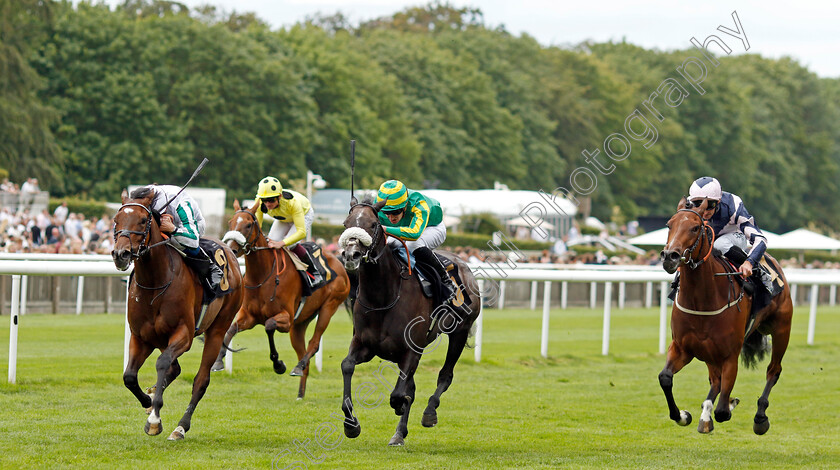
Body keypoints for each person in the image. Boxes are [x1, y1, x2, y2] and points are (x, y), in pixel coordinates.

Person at [686, 176, 778, 294]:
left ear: (718, 201)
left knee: (720, 244)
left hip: (734, 236)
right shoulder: (688, 207)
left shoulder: (733, 204)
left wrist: (750, 262)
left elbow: (760, 239)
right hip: (709, 239)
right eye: (698, 204)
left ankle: (758, 271)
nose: (704, 210)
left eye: (710, 205)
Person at [375, 180, 460, 306]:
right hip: (405, 228)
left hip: (432, 228)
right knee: (388, 246)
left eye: (396, 212)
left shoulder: (419, 204)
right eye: (386, 212)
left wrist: (386, 229)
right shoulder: (378, 207)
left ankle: (446, 280)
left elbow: (414, 234)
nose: (391, 217)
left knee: (412, 244)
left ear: (404, 206)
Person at [132, 184, 223, 294]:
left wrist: (173, 229)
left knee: (176, 242)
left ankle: (211, 267)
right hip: (165, 222)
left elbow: (193, 241)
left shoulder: (180, 204)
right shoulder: (143, 195)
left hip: (189, 227)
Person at [253, 176, 320, 293]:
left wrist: (282, 243)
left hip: (304, 214)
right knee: (271, 242)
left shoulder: (292, 203)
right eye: (265, 200)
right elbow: (257, 226)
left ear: (279, 196)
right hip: (284, 218)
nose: (267, 204)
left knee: (290, 245)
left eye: (271, 200)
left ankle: (315, 271)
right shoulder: (259, 202)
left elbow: (301, 232)